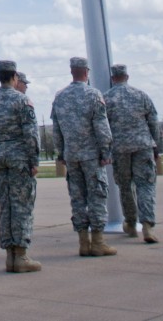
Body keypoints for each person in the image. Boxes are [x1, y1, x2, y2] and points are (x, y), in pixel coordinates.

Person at [0, 59, 41, 273]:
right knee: (21, 206)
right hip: (19, 158)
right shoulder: (22, 101)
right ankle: (20, 255)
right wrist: (34, 161)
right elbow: (31, 135)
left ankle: (9, 256)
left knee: (6, 207)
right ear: (14, 77)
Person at [51, 56, 116, 257]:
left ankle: (83, 242)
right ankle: (98, 241)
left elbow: (57, 130)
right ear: (87, 72)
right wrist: (106, 151)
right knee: (97, 196)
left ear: (72, 72)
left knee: (77, 198)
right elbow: (102, 127)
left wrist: (61, 153)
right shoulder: (93, 94)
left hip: (72, 156)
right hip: (91, 156)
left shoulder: (60, 96)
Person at [104, 63, 159, 243]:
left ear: (113, 78)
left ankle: (130, 221)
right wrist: (155, 145)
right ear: (127, 76)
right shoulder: (140, 95)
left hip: (119, 149)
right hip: (143, 146)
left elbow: (103, 126)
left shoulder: (107, 98)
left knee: (126, 187)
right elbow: (153, 121)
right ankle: (148, 226)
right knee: (146, 185)